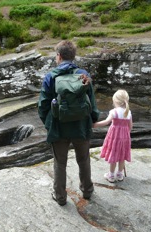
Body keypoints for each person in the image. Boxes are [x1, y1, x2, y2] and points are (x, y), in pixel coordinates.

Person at [38, 40, 100, 206]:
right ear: (73, 56)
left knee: (60, 163)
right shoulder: (83, 74)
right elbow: (91, 100)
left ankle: (60, 197)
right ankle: (87, 191)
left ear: (58, 56)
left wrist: (49, 123)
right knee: (84, 159)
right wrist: (93, 119)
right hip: (81, 125)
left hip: (59, 127)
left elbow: (43, 106)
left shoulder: (51, 76)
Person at [93, 89, 133, 183]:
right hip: (124, 137)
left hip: (114, 137)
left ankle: (111, 175)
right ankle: (119, 174)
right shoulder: (128, 113)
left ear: (115, 101)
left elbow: (106, 122)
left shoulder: (114, 112)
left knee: (114, 155)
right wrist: (126, 133)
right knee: (122, 156)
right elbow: (130, 126)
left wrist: (95, 125)